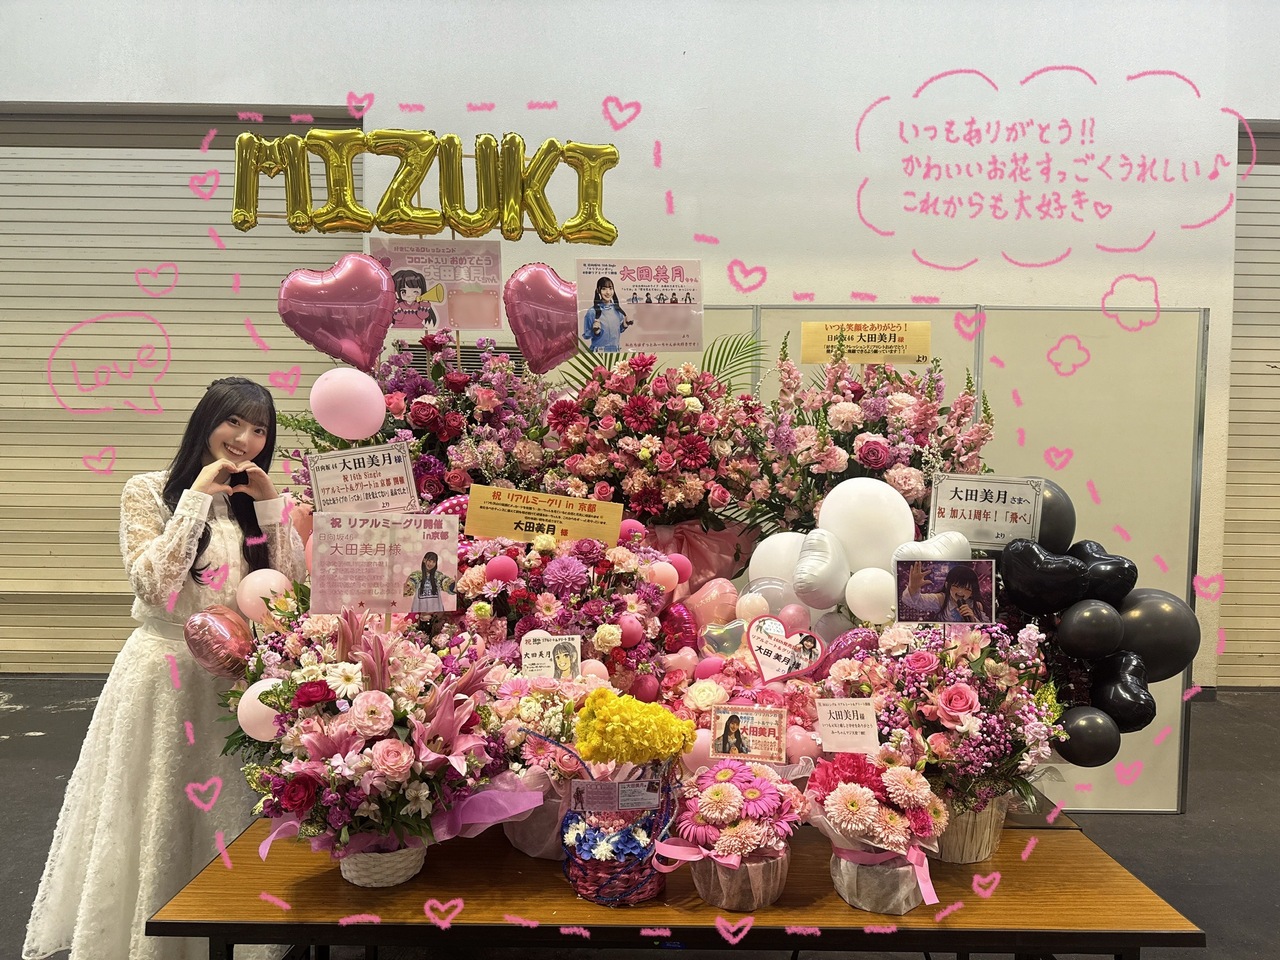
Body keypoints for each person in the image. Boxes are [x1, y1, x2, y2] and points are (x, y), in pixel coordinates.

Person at [24, 378, 305, 960]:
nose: (245, 439)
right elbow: (154, 586)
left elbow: (290, 590)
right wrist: (196, 498)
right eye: (234, 422)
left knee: (229, 806)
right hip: (165, 674)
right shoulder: (147, 491)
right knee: (157, 803)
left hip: (237, 678)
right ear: (205, 421)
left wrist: (270, 504)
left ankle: (232, 928)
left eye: (259, 430)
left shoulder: (253, 503)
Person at [901, 562, 987, 623]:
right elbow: (914, 601)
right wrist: (913, 588)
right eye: (956, 586)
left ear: (972, 592)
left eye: (967, 589)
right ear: (947, 585)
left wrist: (973, 619)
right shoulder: (941, 599)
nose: (960, 592)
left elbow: (986, 628)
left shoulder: (976, 605)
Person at [581, 276, 631, 352]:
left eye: (610, 288)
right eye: (604, 289)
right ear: (598, 290)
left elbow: (617, 331)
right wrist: (595, 332)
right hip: (598, 352)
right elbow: (587, 335)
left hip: (615, 352)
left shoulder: (617, 310)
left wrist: (624, 326)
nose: (608, 292)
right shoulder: (592, 312)